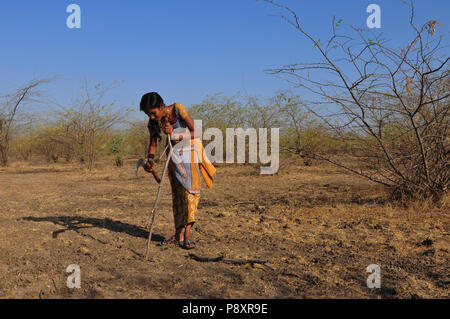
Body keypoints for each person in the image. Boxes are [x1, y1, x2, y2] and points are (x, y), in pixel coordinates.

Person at [139, 92, 216, 250]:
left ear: (161, 106)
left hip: (190, 158)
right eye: (148, 114)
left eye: (153, 113)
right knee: (178, 198)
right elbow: (153, 144)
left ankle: (187, 235)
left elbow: (197, 132)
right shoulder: (154, 122)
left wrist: (174, 134)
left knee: (190, 195)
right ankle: (178, 233)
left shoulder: (178, 109)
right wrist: (150, 161)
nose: (152, 117)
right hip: (173, 160)